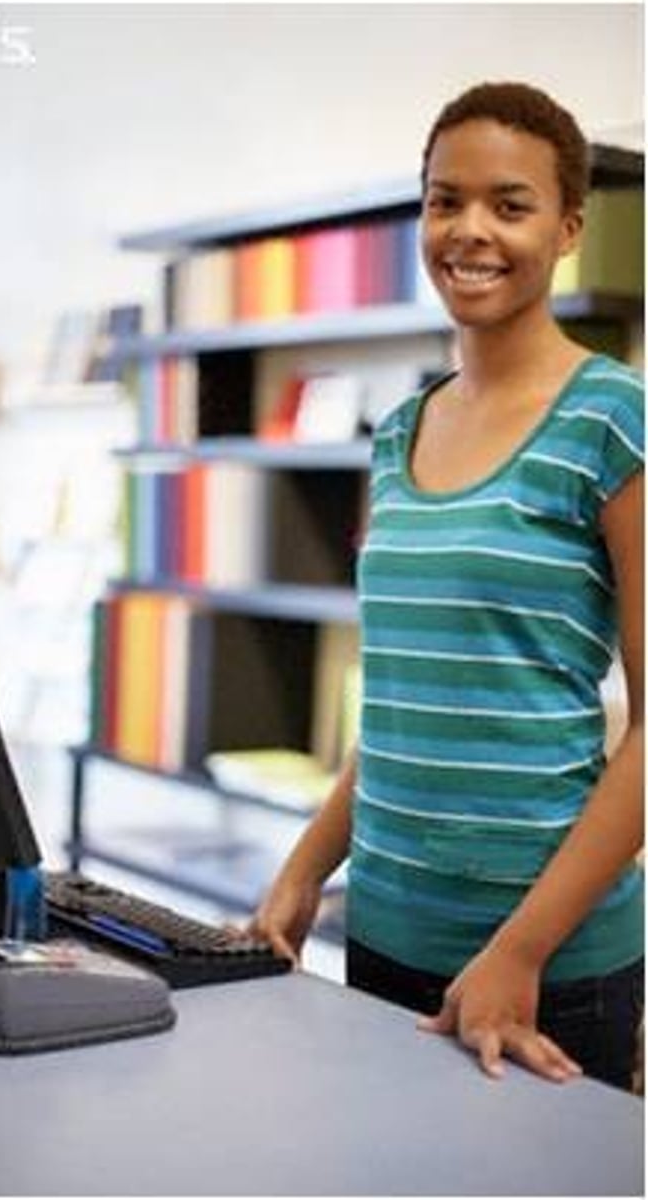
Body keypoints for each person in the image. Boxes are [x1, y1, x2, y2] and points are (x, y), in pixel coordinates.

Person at [249, 81, 644, 1091]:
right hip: (380, 934)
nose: (469, 231)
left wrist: (519, 952)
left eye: (508, 205)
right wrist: (303, 875)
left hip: (544, 967)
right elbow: (398, 707)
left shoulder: (613, 420)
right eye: (442, 199)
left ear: (564, 227)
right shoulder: (395, 432)